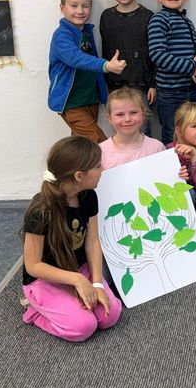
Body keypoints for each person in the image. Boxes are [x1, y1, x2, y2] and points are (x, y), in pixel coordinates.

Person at [20, 136, 122, 341]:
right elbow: (32, 266)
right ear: (79, 176)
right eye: (97, 166)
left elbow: (92, 242)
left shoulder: (88, 196)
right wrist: (77, 280)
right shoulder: (40, 210)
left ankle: (69, 302)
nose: (102, 169)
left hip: (78, 268)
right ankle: (35, 312)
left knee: (109, 316)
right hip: (45, 279)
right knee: (83, 327)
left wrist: (96, 284)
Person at [48, 0, 125, 143]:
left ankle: (69, 161)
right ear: (62, 8)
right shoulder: (61, 36)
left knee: (82, 146)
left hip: (90, 99)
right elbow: (76, 58)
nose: (80, 11)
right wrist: (106, 65)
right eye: (74, 6)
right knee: (100, 144)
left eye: (85, 6)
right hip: (72, 103)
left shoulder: (86, 32)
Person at [99, 0, 156, 135]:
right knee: (120, 131)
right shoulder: (106, 16)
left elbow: (154, 53)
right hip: (114, 86)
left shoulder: (148, 16)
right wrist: (104, 84)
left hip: (141, 85)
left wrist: (153, 84)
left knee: (142, 130)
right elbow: (105, 52)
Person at [148, 0, 196, 145]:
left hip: (192, 89)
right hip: (171, 92)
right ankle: (172, 164)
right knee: (173, 135)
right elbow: (157, 54)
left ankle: (193, 163)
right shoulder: (159, 19)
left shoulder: (187, 21)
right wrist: (190, 68)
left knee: (195, 135)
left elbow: (195, 51)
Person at [99, 87, 188, 182]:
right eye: (120, 114)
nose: (127, 119)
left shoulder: (156, 148)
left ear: (143, 115)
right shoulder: (100, 152)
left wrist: (176, 176)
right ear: (110, 119)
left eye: (133, 112)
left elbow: (165, 180)